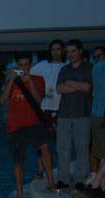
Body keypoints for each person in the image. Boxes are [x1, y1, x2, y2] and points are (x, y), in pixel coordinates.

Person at [0, 53, 55, 198]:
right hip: (15, 125)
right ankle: (20, 194)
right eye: (20, 65)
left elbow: (38, 101)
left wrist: (30, 83)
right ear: (17, 66)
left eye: (26, 65)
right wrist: (11, 80)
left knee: (45, 147)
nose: (23, 68)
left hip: (33, 122)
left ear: (30, 65)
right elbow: (2, 100)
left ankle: (51, 182)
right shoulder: (12, 81)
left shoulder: (37, 80)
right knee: (18, 161)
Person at [56, 39, 93, 189]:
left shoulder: (89, 68)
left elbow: (88, 88)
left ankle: (80, 180)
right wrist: (78, 85)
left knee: (82, 148)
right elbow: (59, 89)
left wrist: (70, 83)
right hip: (64, 115)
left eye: (73, 51)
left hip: (83, 114)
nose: (70, 54)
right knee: (62, 148)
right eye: (68, 51)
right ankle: (63, 179)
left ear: (80, 51)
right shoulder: (64, 69)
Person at [30, 40, 65, 178]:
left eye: (58, 49)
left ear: (62, 50)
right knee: (40, 142)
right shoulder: (43, 65)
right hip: (44, 109)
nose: (55, 52)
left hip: (62, 110)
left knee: (62, 142)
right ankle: (40, 170)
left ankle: (62, 170)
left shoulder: (67, 66)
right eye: (53, 49)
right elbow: (28, 75)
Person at [88, 52, 105, 196]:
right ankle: (97, 182)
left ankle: (103, 185)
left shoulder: (97, 67)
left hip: (96, 114)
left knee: (103, 153)